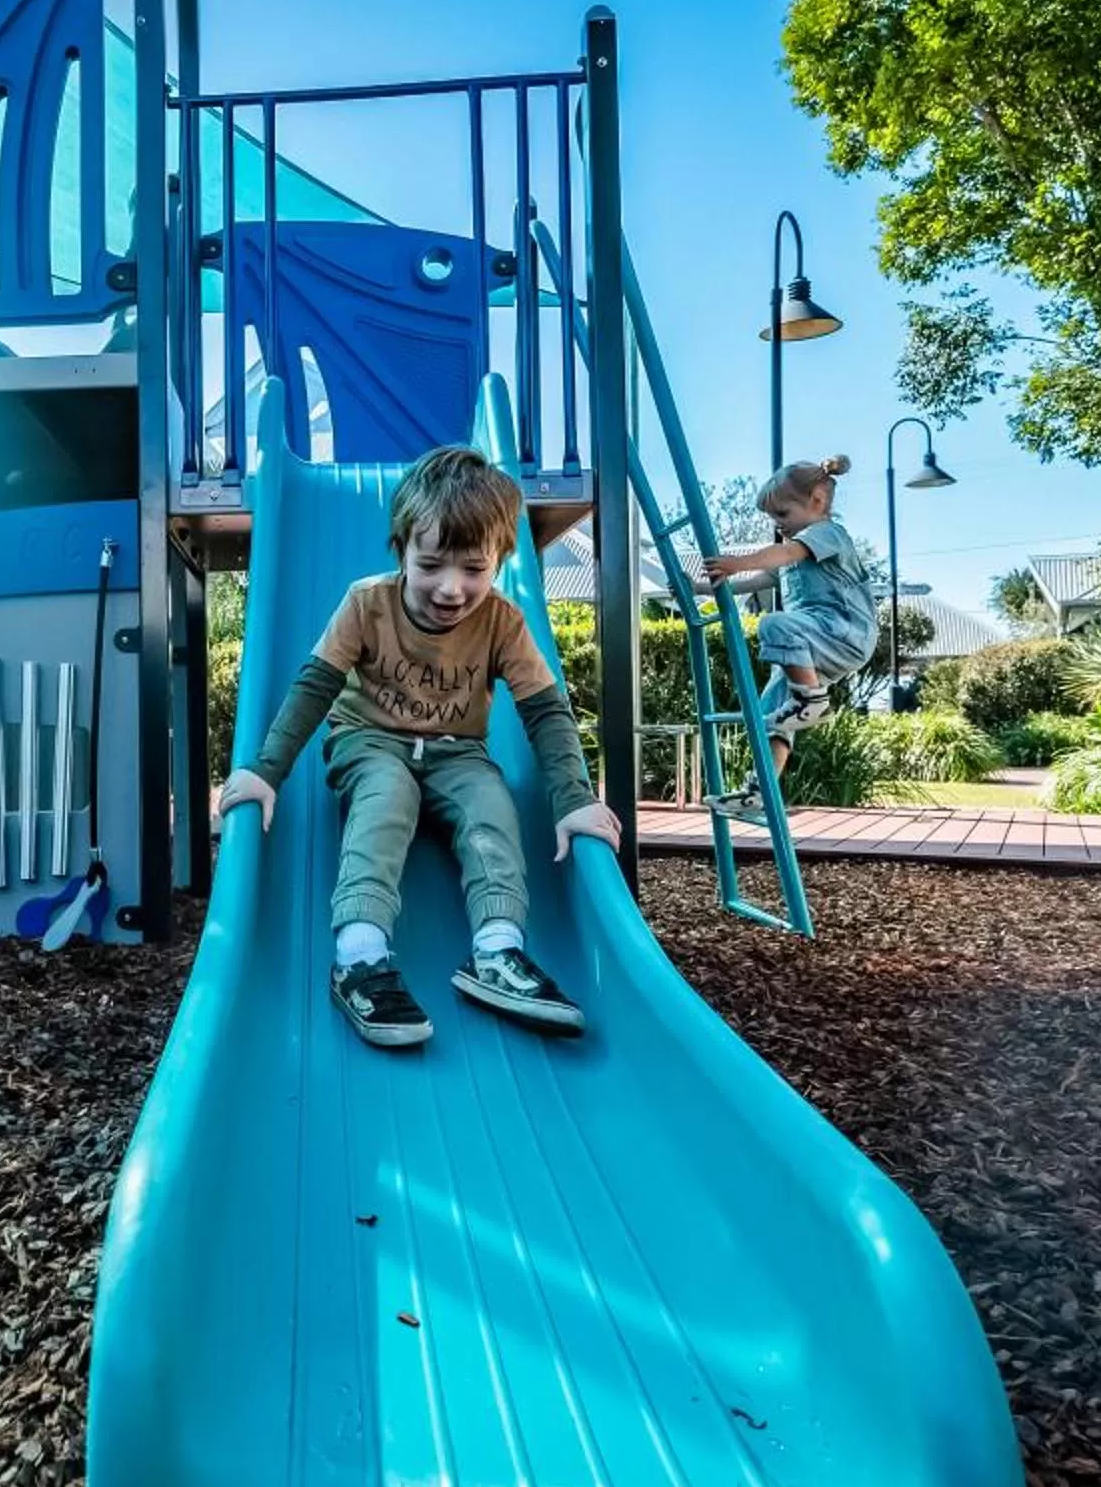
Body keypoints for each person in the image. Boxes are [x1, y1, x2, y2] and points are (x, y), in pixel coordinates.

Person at [216, 446, 624, 1048]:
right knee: (387, 797)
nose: (452, 588)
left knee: (491, 806)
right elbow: (314, 687)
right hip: (368, 740)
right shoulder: (366, 604)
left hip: (458, 752)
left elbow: (545, 711)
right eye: (431, 564)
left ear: (500, 560)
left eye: (474, 569)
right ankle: (359, 955)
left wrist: (573, 799)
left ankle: (498, 949)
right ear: (401, 549)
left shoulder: (504, 622)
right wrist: (264, 771)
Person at [697, 454, 879, 801]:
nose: (778, 524)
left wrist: (737, 562)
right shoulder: (794, 549)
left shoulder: (827, 533)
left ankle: (812, 701)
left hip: (843, 630)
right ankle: (759, 792)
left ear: (817, 501)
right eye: (773, 518)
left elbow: (786, 554)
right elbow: (758, 579)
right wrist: (701, 588)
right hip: (814, 642)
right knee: (771, 713)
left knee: (774, 624)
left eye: (783, 514)